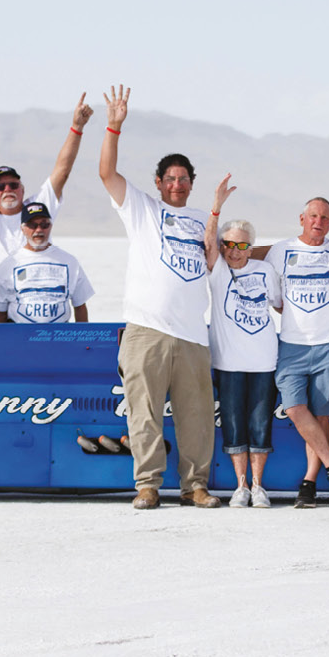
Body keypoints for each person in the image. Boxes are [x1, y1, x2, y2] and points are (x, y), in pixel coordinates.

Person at [98, 85, 220, 509]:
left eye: (184, 179)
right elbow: (107, 174)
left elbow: (228, 254)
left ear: (192, 183)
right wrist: (114, 126)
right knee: (144, 411)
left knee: (197, 417)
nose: (177, 185)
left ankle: (195, 486)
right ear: (158, 183)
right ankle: (147, 484)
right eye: (170, 179)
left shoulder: (205, 219)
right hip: (147, 329)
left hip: (192, 335)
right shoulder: (143, 209)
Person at [0, 92, 93, 322]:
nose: (7, 188)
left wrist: (76, 128)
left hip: (39, 320)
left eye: (13, 184)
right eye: (0, 186)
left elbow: (62, 171)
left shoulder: (37, 209)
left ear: (23, 189)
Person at [260, 195, 329, 507]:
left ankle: (310, 482)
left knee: (321, 414)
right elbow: (277, 301)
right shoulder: (281, 251)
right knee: (294, 408)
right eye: (313, 216)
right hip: (292, 344)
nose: (318, 222)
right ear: (301, 219)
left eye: (325, 218)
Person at [203, 177, 281, 508]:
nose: (236, 251)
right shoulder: (219, 271)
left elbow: (280, 305)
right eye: (230, 245)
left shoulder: (266, 270)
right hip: (229, 363)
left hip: (264, 361)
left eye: (242, 245)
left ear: (251, 246)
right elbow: (208, 242)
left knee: (260, 424)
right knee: (234, 425)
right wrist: (216, 207)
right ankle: (241, 487)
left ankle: (260, 486)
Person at [0, 203, 94, 322]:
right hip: (19, 336)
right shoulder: (8, 265)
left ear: (51, 226)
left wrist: (83, 339)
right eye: (32, 225)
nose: (39, 230)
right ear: (22, 229)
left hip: (59, 337)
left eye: (44, 225)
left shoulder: (70, 262)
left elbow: (80, 306)